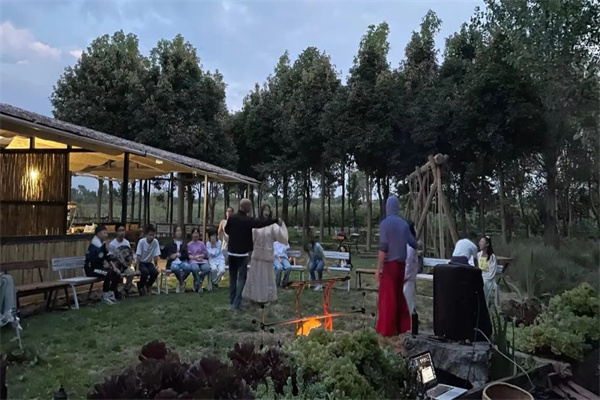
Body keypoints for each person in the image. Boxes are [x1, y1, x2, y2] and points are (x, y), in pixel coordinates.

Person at [225, 199, 278, 310]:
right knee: (241, 278)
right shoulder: (248, 220)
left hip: (232, 252)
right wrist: (275, 220)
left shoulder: (232, 218)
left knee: (232, 277)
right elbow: (261, 223)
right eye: (249, 206)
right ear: (245, 207)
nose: (250, 208)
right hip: (242, 253)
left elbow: (227, 230)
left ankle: (232, 300)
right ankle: (236, 303)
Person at [375, 196, 418, 337]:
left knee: (387, 298)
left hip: (390, 266)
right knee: (399, 296)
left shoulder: (385, 224)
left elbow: (383, 247)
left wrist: (378, 268)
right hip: (401, 265)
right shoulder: (404, 224)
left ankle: (386, 330)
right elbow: (414, 243)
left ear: (387, 207)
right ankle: (403, 327)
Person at [244, 205, 289, 304]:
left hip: (267, 255)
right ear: (261, 211)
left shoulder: (272, 225)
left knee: (265, 278)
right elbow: (250, 237)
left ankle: (265, 298)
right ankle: (254, 297)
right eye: (265, 210)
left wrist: (281, 225)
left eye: (268, 210)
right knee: (256, 277)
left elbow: (281, 237)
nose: (266, 212)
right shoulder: (257, 223)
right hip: (257, 254)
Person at [85, 225, 121, 305]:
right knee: (107, 273)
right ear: (98, 234)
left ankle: (111, 294)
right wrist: (103, 262)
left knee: (116, 273)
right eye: (104, 233)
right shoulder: (94, 245)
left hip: (99, 268)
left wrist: (114, 268)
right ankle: (105, 296)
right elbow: (93, 260)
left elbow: (108, 257)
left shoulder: (102, 244)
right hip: (91, 269)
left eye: (106, 233)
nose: (106, 235)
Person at [108, 223, 135, 295]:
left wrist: (129, 263)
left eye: (123, 230)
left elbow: (129, 255)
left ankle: (125, 289)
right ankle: (116, 291)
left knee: (131, 273)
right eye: (120, 231)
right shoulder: (112, 244)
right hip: (116, 266)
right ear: (116, 232)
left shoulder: (127, 242)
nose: (122, 232)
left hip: (125, 266)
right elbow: (110, 258)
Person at [163, 226, 191, 293]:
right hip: (173, 263)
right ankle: (182, 283)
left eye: (180, 231)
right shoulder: (170, 244)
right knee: (175, 268)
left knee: (188, 268)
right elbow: (164, 254)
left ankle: (180, 282)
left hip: (182, 261)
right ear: (174, 232)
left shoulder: (184, 244)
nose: (179, 232)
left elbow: (187, 256)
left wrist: (181, 255)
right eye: (177, 231)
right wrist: (170, 256)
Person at [135, 225, 161, 296]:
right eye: (150, 235)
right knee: (145, 272)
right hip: (140, 262)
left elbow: (156, 255)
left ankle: (148, 285)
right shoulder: (141, 242)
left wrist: (156, 266)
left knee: (155, 273)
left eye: (153, 235)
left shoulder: (155, 242)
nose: (151, 237)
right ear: (146, 235)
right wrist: (137, 269)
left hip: (148, 263)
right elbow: (138, 255)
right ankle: (140, 285)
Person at [477, 236, 499, 307]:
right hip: (479, 276)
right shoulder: (478, 255)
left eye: (482, 242)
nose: (480, 243)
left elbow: (492, 272)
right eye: (480, 242)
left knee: (483, 284)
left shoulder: (492, 257)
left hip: (488, 279)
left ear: (487, 244)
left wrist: (483, 277)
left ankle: (484, 305)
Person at [187, 228, 211, 292]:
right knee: (195, 268)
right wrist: (195, 258)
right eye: (194, 233)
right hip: (193, 261)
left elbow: (205, 253)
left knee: (207, 268)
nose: (196, 235)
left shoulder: (202, 244)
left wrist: (201, 256)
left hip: (201, 260)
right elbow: (189, 255)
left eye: (197, 233)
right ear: (192, 234)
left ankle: (197, 281)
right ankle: (199, 285)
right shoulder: (189, 244)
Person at [403, 221, 419, 316]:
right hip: (408, 276)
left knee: (407, 300)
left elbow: (408, 263)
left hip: (408, 277)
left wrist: (405, 276)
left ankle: (410, 319)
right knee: (408, 300)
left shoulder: (410, 245)